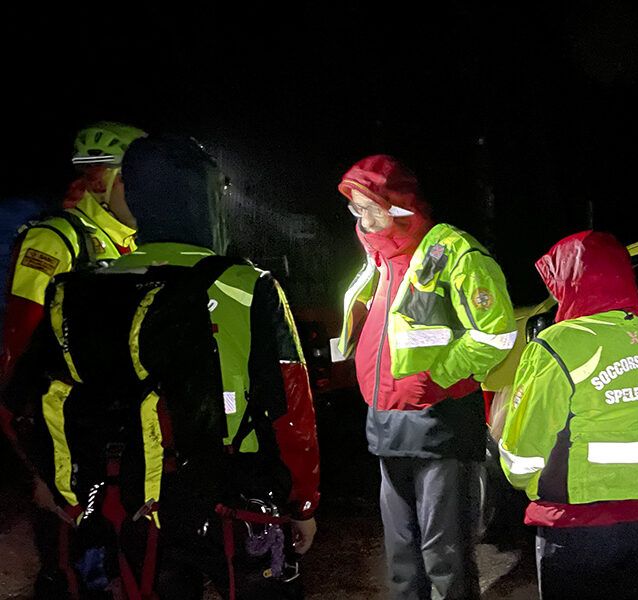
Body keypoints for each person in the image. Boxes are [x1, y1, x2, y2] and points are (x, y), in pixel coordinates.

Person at [4, 134, 319, 599]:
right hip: (235, 491)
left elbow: (34, 390)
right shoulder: (249, 285)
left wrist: (47, 477)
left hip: (135, 495)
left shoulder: (87, 287)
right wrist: (304, 502)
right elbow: (292, 406)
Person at [335, 155, 516, 600]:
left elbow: (496, 333)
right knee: (401, 559)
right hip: (386, 425)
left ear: (396, 203)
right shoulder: (377, 259)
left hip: (441, 426)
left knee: (446, 557)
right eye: (356, 209)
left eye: (369, 207)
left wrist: (437, 377)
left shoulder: (451, 251)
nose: (362, 218)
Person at [0, 121, 145, 599]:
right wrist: (36, 467)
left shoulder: (136, 243)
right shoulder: (56, 240)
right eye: (133, 175)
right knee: (73, 571)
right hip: (64, 441)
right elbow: (17, 351)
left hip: (116, 436)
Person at [499, 231, 638, 600]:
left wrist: (503, 429)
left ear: (572, 281)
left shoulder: (556, 343)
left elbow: (522, 462)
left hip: (579, 525)